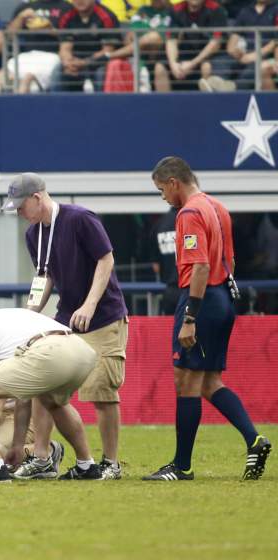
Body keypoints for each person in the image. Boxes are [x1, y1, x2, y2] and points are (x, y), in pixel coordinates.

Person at [144, 156, 271, 481]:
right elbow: (228, 259)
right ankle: (254, 440)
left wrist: (190, 316)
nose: (163, 198)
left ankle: (181, 466)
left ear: (174, 183)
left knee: (185, 380)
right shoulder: (217, 207)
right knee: (209, 381)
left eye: (161, 190)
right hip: (223, 297)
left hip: (200, 299)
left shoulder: (188, 212)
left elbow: (199, 266)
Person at [3, 172, 128, 480]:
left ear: (37, 198)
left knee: (101, 391)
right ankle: (43, 457)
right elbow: (45, 275)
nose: (19, 213)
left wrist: (89, 304)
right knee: (43, 384)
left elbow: (106, 260)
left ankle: (111, 463)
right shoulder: (34, 234)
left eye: (21, 206)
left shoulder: (80, 218)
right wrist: (31, 312)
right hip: (66, 316)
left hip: (104, 315)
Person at [0, 301, 101, 482]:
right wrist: (18, 446)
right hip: (81, 350)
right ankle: (86, 465)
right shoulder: (3, 319)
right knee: (53, 402)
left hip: (49, 351)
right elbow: (24, 397)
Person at [0, 0, 71, 93]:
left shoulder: (67, 7)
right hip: (26, 55)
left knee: (27, 79)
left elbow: (72, 36)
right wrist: (20, 17)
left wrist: (50, 30)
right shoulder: (26, 7)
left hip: (52, 56)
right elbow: (9, 36)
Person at [154, 0, 231, 92]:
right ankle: (164, 105)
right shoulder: (176, 9)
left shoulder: (216, 9)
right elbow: (171, 40)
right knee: (159, 68)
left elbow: (215, 44)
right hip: (185, 53)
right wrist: (173, 64)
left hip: (207, 55)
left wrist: (192, 64)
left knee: (206, 67)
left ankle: (206, 105)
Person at [55, 0, 121, 92]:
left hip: (99, 62)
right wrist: (68, 62)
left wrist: (85, 62)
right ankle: (60, 105)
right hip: (75, 61)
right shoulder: (66, 15)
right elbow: (65, 47)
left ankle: (101, 104)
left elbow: (108, 50)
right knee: (58, 70)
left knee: (101, 73)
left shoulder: (106, 16)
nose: (80, 1)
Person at [223, 0, 278, 90]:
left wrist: (253, 56)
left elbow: (275, 42)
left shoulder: (276, 9)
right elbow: (232, 42)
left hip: (266, 56)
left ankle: (231, 88)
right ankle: (218, 85)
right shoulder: (245, 11)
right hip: (245, 55)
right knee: (222, 63)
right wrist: (234, 51)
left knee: (252, 70)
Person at [151, 206, 180, 315]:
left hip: (169, 290)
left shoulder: (159, 224)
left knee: (170, 329)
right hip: (192, 290)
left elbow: (156, 266)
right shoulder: (193, 220)